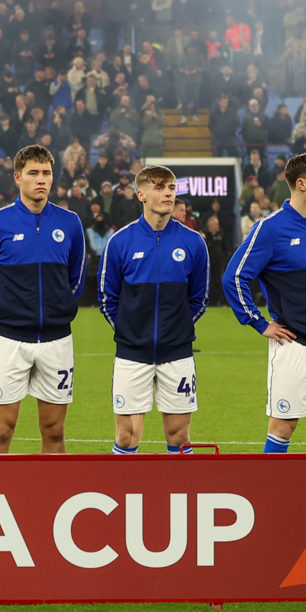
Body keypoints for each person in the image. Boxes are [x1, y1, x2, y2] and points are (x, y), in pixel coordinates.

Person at [223, 152, 306, 454]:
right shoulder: (271, 228)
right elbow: (234, 277)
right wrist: (259, 323)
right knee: (283, 426)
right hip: (293, 342)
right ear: (302, 184)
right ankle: (270, 499)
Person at [0, 145, 85, 454]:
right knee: (2, 432)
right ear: (18, 178)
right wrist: (7, 319)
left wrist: (56, 312)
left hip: (57, 342)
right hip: (10, 341)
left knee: (55, 432)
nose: (41, 180)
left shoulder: (70, 223)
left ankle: (53, 498)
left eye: (46, 173)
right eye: (33, 173)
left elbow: (75, 281)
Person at [97, 165, 210, 455]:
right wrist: (130, 330)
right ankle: (123, 496)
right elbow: (107, 298)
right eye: (160, 188)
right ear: (141, 195)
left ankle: (180, 496)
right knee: (127, 435)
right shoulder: (120, 241)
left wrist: (177, 328)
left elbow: (200, 298)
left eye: (172, 188)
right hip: (132, 353)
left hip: (178, 353)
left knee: (179, 436)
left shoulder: (193, 242)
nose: (168, 193)